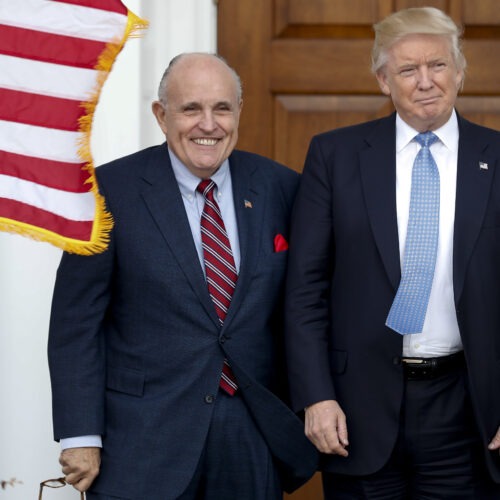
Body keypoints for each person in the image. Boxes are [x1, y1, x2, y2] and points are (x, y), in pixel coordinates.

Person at [48, 52, 317, 500]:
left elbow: (309, 304)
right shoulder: (108, 192)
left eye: (222, 108)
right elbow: (76, 325)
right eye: (191, 109)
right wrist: (81, 436)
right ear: (161, 114)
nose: (208, 124)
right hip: (140, 438)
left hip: (250, 433)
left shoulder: (282, 188)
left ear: (238, 113)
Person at [285, 7, 500, 499]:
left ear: (460, 71)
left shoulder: (497, 157)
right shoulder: (334, 156)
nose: (425, 81)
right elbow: (304, 290)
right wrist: (316, 396)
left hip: (467, 410)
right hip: (355, 410)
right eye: (408, 69)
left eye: (438, 65)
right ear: (384, 80)